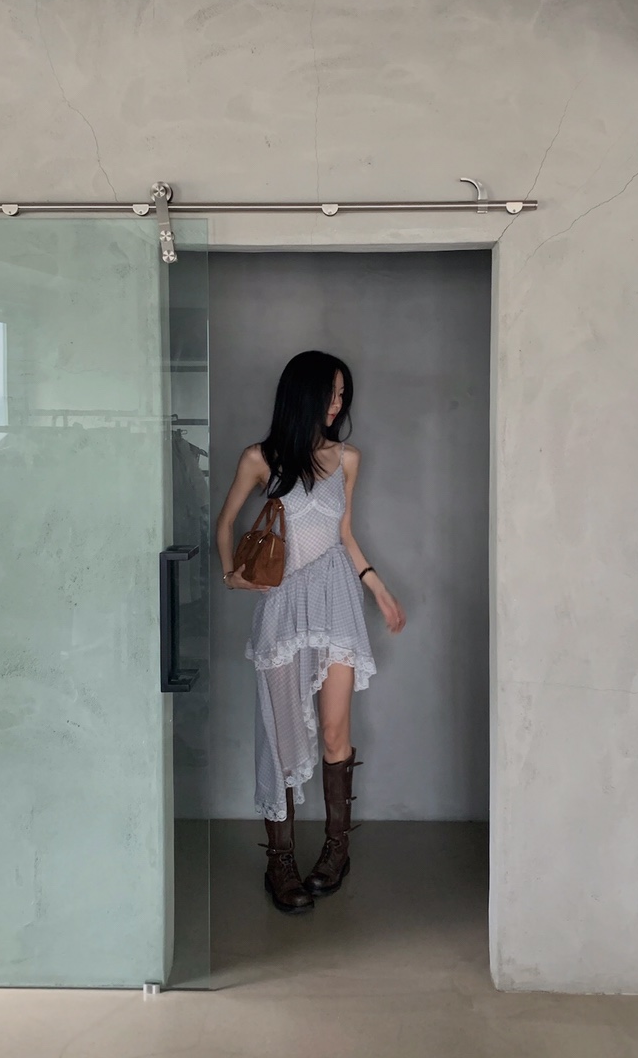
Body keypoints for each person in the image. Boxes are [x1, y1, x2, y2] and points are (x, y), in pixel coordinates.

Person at [216, 350, 406, 914]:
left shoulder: (347, 459)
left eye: (343, 395)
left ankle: (335, 851)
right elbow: (225, 523)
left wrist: (377, 587)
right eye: (331, 393)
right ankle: (279, 862)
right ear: (304, 394)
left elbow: (344, 534)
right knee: (279, 736)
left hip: (337, 599)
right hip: (283, 605)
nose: (338, 404)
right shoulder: (260, 458)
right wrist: (231, 575)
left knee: (334, 729)